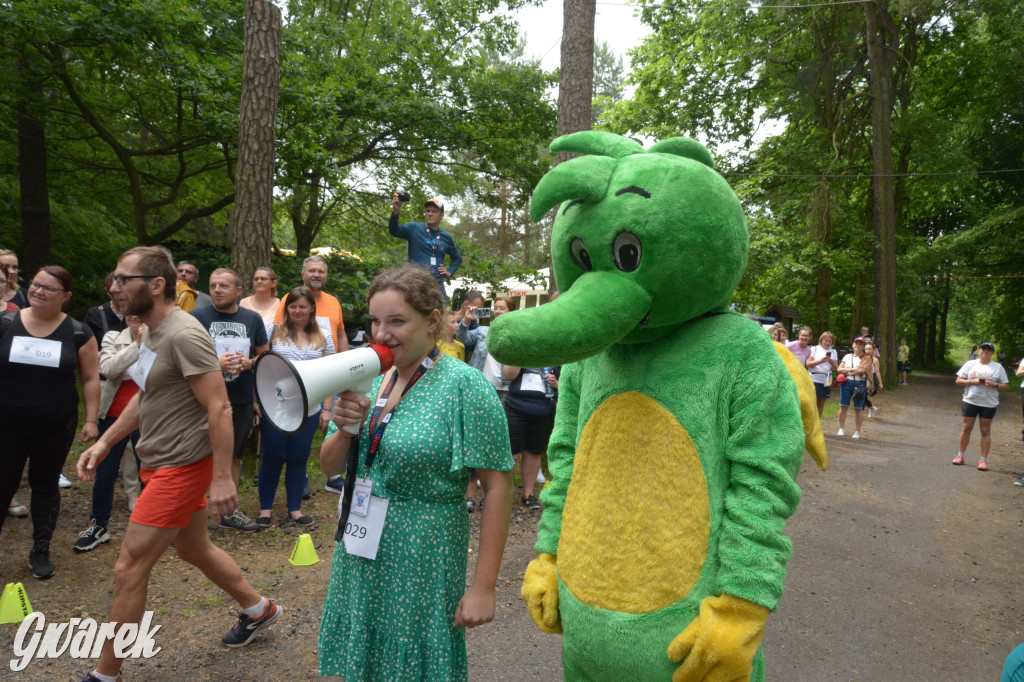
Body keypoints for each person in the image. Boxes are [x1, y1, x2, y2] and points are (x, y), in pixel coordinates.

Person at [76, 247, 281, 682]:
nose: (113, 287)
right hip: (160, 461)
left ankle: (104, 675)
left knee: (128, 567)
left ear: (155, 285)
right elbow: (150, 394)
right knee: (193, 547)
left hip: (182, 468)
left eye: (122, 279)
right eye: (113, 278)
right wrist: (106, 442)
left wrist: (223, 477)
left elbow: (220, 407)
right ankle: (259, 609)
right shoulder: (150, 330)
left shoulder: (184, 334)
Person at [317, 264, 513, 681]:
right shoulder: (367, 376)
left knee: (416, 665)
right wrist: (347, 428)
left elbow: (497, 487)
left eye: (397, 321)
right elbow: (330, 467)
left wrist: (484, 587)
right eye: (375, 321)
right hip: (361, 545)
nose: (382, 333)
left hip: (424, 551)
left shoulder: (465, 386)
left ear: (432, 321)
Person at [0, 266, 100, 578]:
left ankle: (40, 549)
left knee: (45, 485)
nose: (39, 291)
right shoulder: (5, 322)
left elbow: (90, 378)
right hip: (7, 421)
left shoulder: (79, 332)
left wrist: (92, 419)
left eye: (49, 288)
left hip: (55, 423)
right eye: (36, 285)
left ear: (66, 296)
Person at [192, 268, 269, 532]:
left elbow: (265, 357)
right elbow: (185, 360)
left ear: (238, 291)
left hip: (239, 399)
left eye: (223, 286)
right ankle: (193, 513)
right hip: (201, 400)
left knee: (233, 456)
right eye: (213, 285)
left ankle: (229, 512)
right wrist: (215, 364)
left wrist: (250, 363)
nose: (216, 290)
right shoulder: (195, 318)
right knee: (197, 456)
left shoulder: (252, 318)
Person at [259, 286, 335, 527]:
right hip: (276, 406)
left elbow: (330, 373)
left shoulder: (323, 335)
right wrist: (256, 400)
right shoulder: (275, 332)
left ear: (312, 307)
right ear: (286, 308)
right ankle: (265, 510)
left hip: (310, 408)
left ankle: (295, 509)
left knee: (298, 457)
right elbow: (262, 367)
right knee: (273, 456)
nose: (297, 311)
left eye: (302, 306)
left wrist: (327, 408)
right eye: (293, 306)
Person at [74, 314, 147, 553]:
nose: (135, 318)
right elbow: (107, 369)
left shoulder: (160, 338)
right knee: (104, 474)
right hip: (113, 415)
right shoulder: (113, 337)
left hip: (148, 416)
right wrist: (137, 345)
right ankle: (99, 526)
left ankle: (153, 527)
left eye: (140, 313)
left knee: (149, 473)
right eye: (130, 314)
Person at [501, 362, 560, 510]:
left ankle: (528, 494)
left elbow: (566, 384)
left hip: (544, 411)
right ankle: (503, 494)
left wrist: (555, 383)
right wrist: (521, 357)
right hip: (516, 409)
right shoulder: (521, 348)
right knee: (512, 454)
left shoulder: (556, 352)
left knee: (534, 453)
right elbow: (508, 375)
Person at [389, 193, 463, 301]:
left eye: (434, 211)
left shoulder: (446, 237)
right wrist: (396, 212)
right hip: (415, 283)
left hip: (436, 284)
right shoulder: (414, 228)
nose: (430, 214)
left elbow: (457, 258)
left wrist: (449, 272)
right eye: (427, 211)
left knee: (442, 314)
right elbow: (394, 231)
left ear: (441, 215)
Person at [273, 255, 348, 359]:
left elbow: (341, 335)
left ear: (326, 275)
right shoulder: (289, 300)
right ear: (303, 275)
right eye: (312, 271)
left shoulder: (333, 301)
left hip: (330, 365)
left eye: (321, 272)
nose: (316, 275)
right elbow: (277, 332)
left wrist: (345, 361)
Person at [951, 341, 1008, 471]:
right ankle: (960, 456)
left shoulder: (998, 367)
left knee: (985, 430)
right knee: (966, 428)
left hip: (988, 403)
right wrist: (972, 381)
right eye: (983, 349)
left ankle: (983, 460)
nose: (985, 351)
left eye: (988, 350)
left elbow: (1006, 385)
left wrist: (995, 385)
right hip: (970, 400)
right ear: (979, 351)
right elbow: (958, 380)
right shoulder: (970, 364)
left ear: (992, 353)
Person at [837, 337, 870, 439]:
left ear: (863, 346)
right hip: (847, 382)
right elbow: (839, 369)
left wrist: (847, 371)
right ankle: (841, 428)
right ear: (853, 345)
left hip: (860, 384)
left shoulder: (866, 357)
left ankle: (857, 431)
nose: (858, 346)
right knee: (843, 406)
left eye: (860, 344)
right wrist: (852, 369)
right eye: (856, 343)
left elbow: (862, 370)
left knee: (858, 408)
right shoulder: (847, 356)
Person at [83, 272, 128, 345]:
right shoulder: (94, 315)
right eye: (116, 293)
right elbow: (87, 348)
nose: (121, 296)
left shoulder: (139, 312)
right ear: (108, 291)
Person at [239, 266, 279, 337]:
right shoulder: (242, 303)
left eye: (263, 279)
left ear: (273, 283)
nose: (259, 281)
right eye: (256, 279)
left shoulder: (280, 305)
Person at [807, 331, 839, 418]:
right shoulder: (814, 349)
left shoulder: (833, 351)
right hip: (814, 378)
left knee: (821, 403)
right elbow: (808, 364)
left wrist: (831, 361)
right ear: (821, 340)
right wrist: (821, 361)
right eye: (826, 340)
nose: (827, 343)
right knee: (812, 402)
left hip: (826, 379)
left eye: (830, 341)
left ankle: (818, 424)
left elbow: (836, 368)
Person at [862, 340, 883, 418]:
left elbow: (877, 372)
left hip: (871, 379)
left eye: (869, 349)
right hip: (862, 378)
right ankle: (871, 408)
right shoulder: (862, 358)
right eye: (866, 349)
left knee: (863, 395)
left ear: (873, 350)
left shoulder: (875, 360)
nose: (867, 350)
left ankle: (861, 411)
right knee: (860, 395)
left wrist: (880, 383)